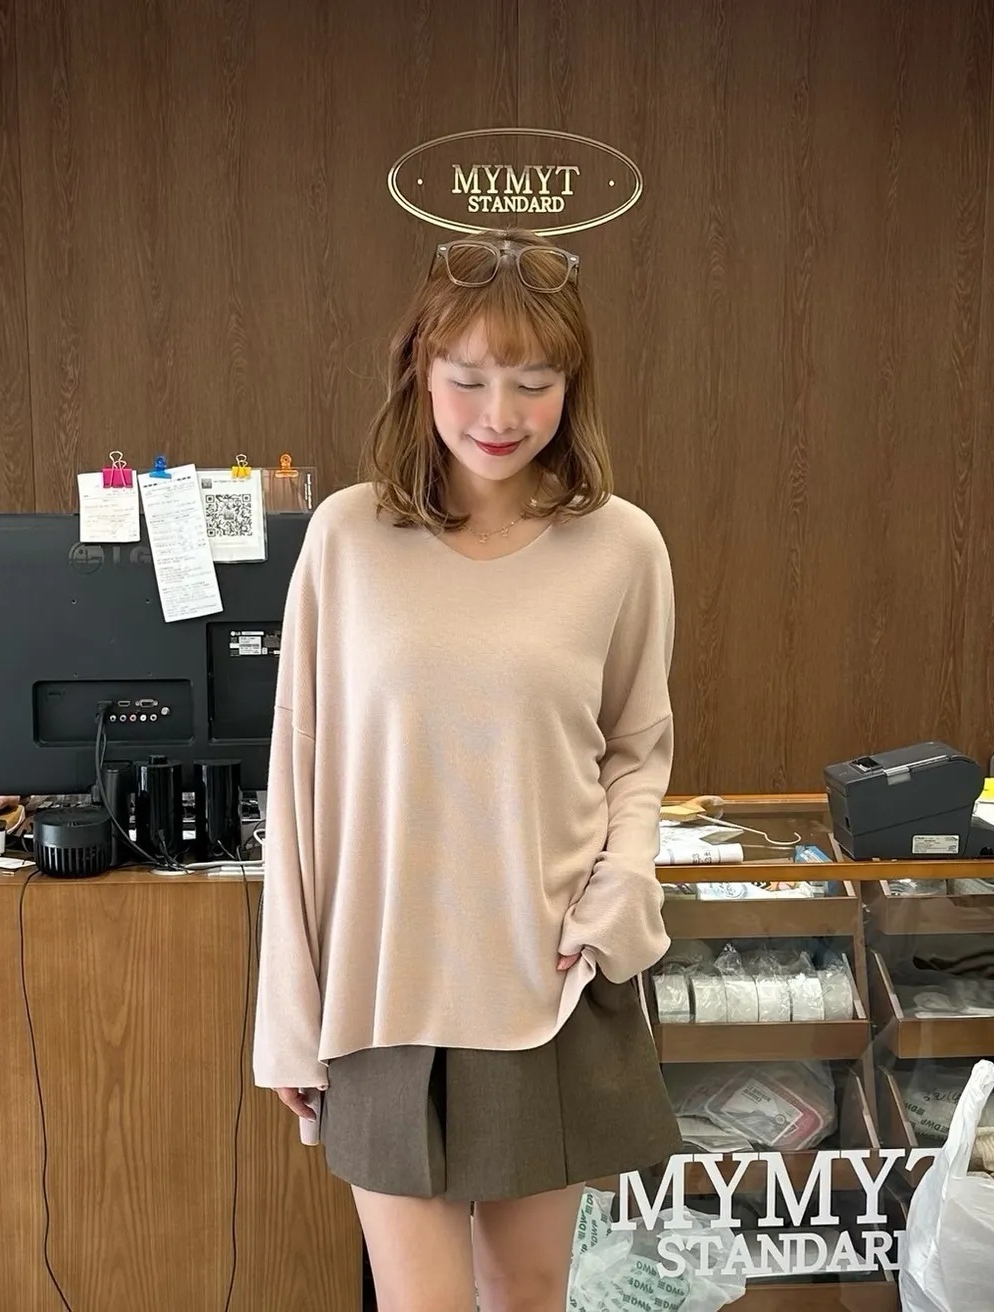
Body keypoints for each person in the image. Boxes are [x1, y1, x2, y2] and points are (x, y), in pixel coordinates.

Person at [253, 228, 680, 1312]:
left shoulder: (623, 547)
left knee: (529, 1295)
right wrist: (290, 1011)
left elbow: (638, 751)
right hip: (385, 993)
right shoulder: (346, 538)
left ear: (571, 387)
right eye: (470, 377)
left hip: (548, 975)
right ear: (419, 369)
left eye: (534, 383)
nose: (501, 413)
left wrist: (620, 891)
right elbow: (296, 782)